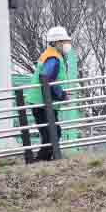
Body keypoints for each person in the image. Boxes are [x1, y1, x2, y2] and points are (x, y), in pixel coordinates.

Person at [32, 25, 72, 161]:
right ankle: (41, 161)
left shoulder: (53, 56)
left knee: (52, 133)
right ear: (56, 43)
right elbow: (47, 79)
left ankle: (44, 160)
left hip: (44, 102)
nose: (67, 45)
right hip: (43, 103)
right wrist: (62, 95)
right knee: (51, 134)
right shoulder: (53, 58)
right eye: (64, 41)